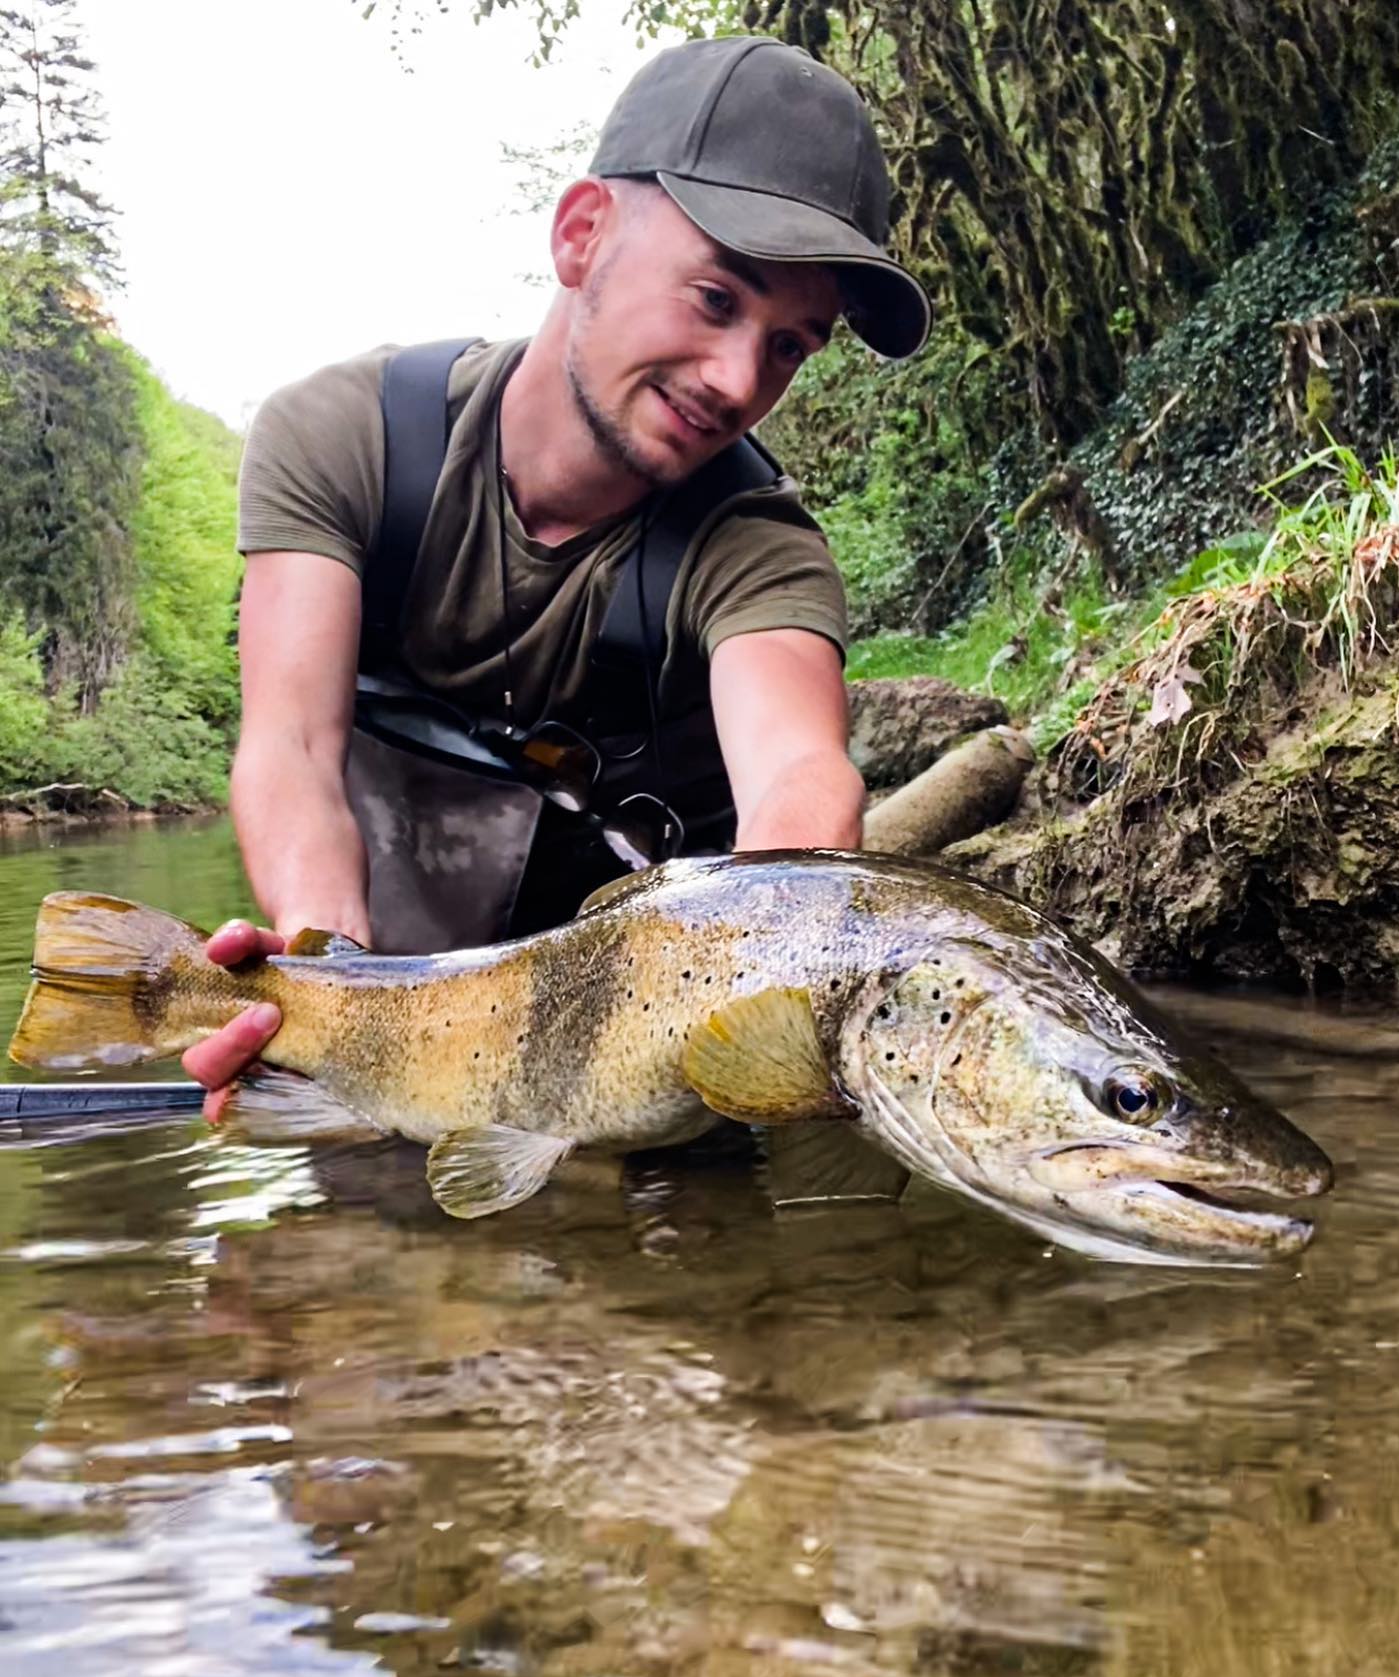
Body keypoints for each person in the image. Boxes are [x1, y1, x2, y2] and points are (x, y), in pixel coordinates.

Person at [183, 33, 931, 1116]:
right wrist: (333, 993)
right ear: (581, 236)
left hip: (652, 1030)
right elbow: (291, 745)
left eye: (788, 347)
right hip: (405, 968)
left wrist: (761, 992)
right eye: (717, 299)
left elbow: (798, 778)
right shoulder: (339, 437)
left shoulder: (757, 541)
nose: (736, 381)